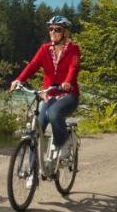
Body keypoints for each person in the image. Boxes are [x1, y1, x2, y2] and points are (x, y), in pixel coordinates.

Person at [10, 15, 80, 160]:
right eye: (51, 29)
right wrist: (19, 80)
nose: (53, 32)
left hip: (68, 95)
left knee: (54, 113)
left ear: (65, 33)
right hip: (49, 95)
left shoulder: (74, 49)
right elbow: (32, 66)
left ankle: (64, 140)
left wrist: (67, 82)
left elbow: (74, 67)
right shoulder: (45, 49)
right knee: (36, 129)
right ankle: (31, 171)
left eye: (57, 30)